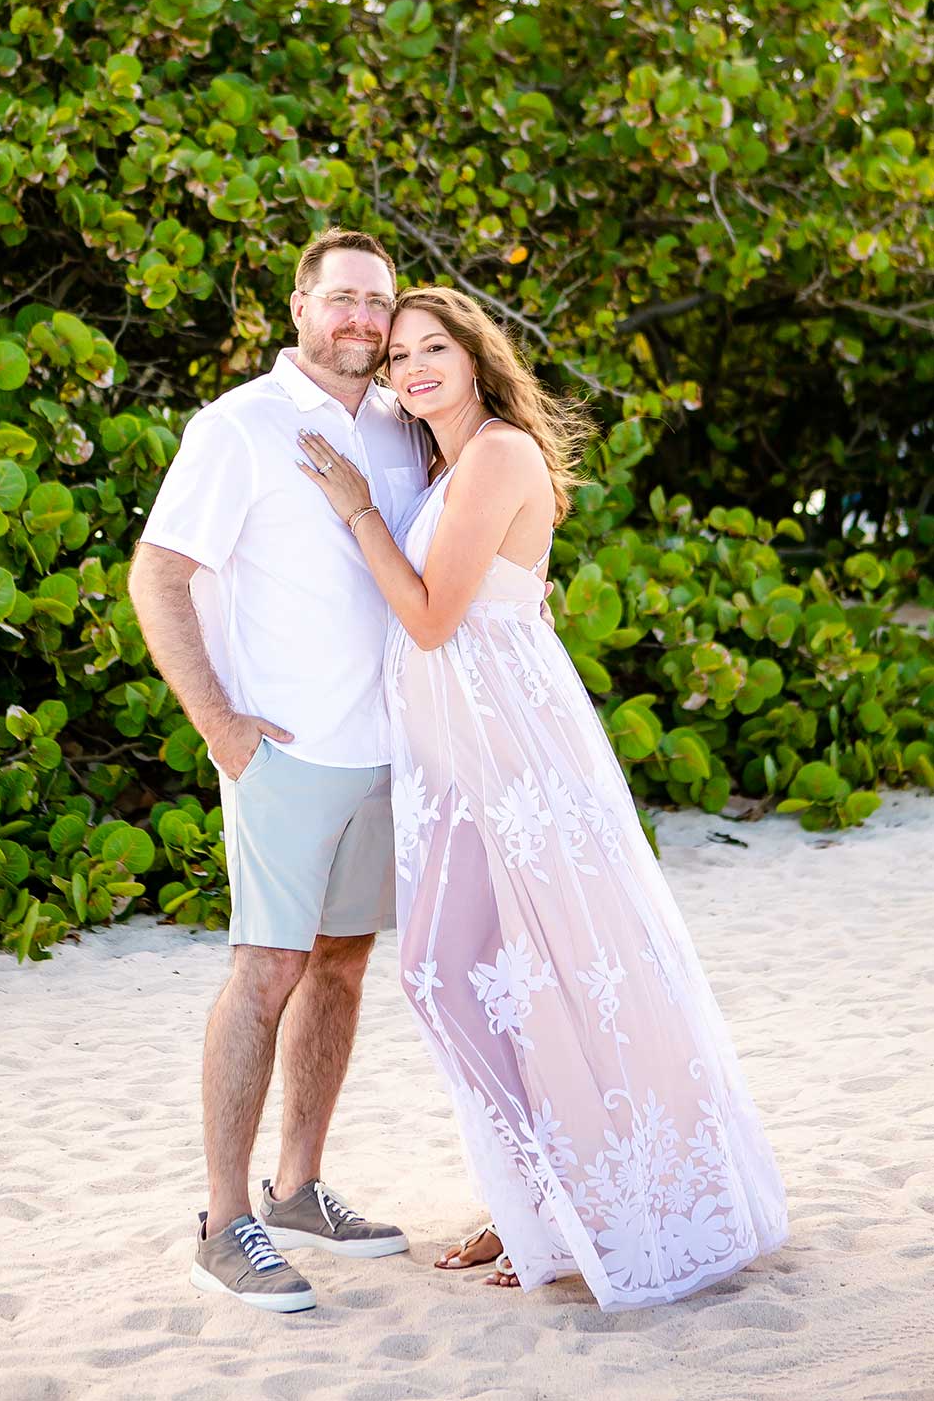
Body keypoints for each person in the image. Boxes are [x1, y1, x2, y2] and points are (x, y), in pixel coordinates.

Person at [296, 285, 790, 1307]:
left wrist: (353, 510)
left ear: (479, 358)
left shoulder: (499, 454)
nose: (415, 367)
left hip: (505, 754)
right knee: (471, 976)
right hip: (462, 757)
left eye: (436, 346)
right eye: (398, 356)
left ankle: (567, 1213)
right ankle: (541, 1207)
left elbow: (433, 618)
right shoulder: (452, 464)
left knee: (497, 975)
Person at [129, 228, 430, 1313]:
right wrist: (221, 728)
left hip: (386, 754)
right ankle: (224, 1221)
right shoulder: (240, 427)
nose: (360, 319)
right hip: (283, 758)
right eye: (341, 298)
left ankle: (298, 1188)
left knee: (341, 968)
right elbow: (157, 576)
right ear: (299, 306)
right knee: (265, 974)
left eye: (377, 303)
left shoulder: (405, 428)